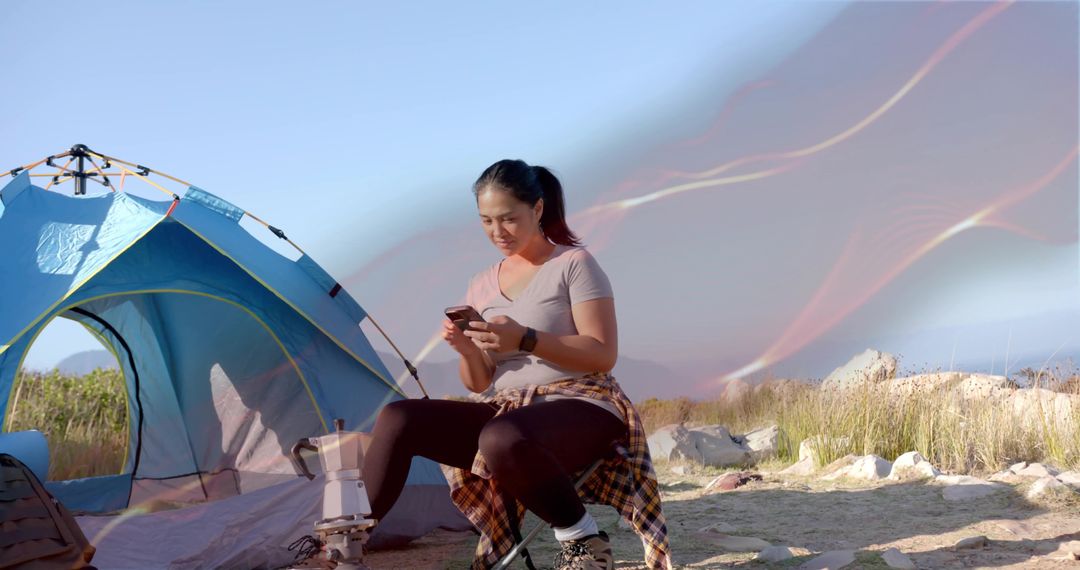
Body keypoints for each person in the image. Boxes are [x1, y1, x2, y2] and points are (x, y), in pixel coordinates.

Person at [362, 159, 670, 570]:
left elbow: (602, 353)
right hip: (509, 409)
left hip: (584, 404)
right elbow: (479, 383)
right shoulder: (482, 283)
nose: (497, 231)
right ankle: (344, 548)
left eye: (508, 218)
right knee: (400, 417)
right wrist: (467, 351)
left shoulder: (573, 264)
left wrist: (526, 338)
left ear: (537, 209)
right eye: (486, 221)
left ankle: (583, 542)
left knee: (499, 435)